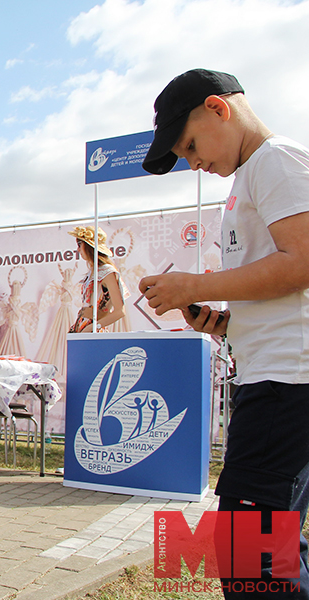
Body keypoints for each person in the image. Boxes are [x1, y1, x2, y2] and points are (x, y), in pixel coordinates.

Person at [140, 68, 309, 598]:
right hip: (276, 379)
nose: (193, 163)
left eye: (189, 145)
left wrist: (194, 281)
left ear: (218, 107)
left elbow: (304, 261)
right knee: (273, 550)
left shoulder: (274, 161)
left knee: (248, 557)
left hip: (287, 386)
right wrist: (224, 321)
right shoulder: (252, 175)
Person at [67, 225, 127, 333]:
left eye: (80, 244)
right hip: (81, 328)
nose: (78, 249)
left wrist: (94, 327)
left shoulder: (107, 272)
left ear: (89, 247)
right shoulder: (91, 272)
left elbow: (120, 311)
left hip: (93, 332)